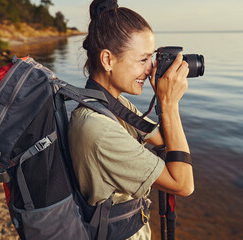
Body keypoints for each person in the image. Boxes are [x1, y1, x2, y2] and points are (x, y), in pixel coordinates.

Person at [68, 0, 194, 239]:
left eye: (153, 58)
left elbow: (163, 141)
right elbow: (183, 183)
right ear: (108, 60)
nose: (151, 70)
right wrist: (170, 104)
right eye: (143, 59)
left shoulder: (108, 104)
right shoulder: (98, 130)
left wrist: (163, 96)